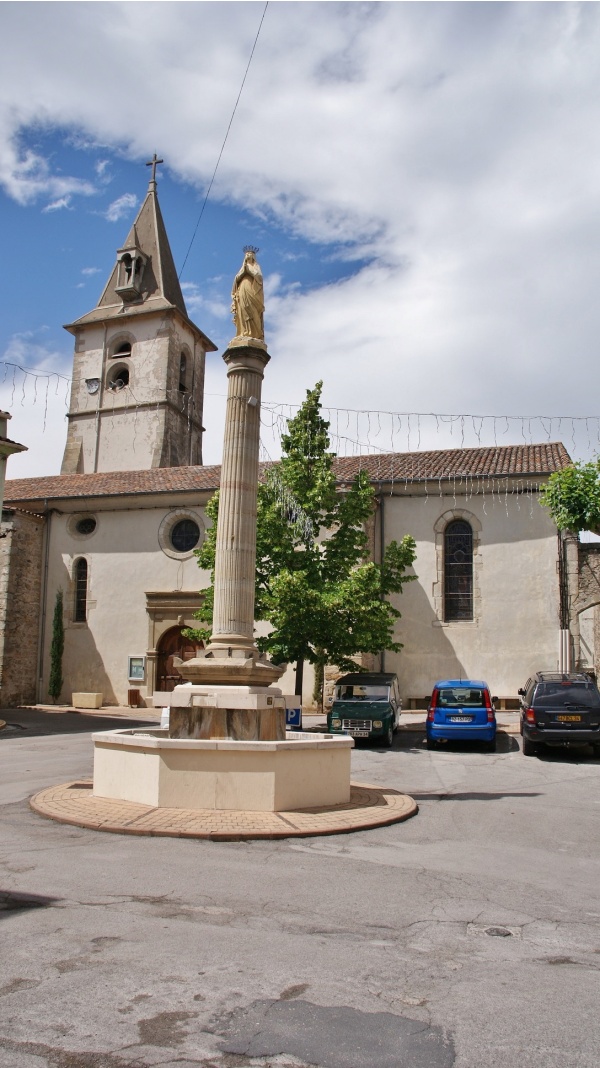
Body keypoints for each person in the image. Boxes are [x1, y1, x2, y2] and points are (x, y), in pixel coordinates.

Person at [231, 248, 264, 340]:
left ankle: (255, 333)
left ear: (253, 256)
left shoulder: (255, 266)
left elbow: (259, 278)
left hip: (252, 290)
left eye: (250, 254)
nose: (248, 255)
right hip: (242, 289)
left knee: (252, 309)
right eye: (247, 254)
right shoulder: (243, 267)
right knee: (243, 308)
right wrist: (243, 273)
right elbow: (236, 279)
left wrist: (250, 271)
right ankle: (244, 331)